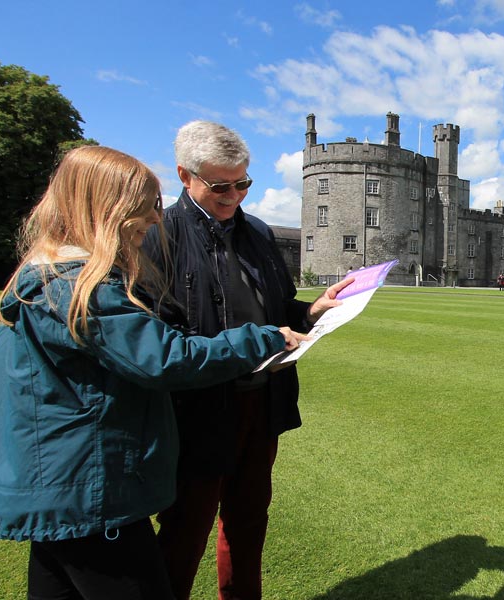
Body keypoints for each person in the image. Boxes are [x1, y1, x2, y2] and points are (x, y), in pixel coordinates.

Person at [0, 146, 311, 599]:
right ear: (105, 210)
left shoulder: (48, 274)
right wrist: (263, 338)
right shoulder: (79, 285)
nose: (154, 220)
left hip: (61, 485)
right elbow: (164, 357)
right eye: (143, 208)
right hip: (89, 488)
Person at [141, 121, 349, 600]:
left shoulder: (257, 231)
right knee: (184, 531)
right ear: (184, 176)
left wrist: (311, 310)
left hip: (262, 402)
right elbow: (159, 339)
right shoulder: (160, 237)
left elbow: (278, 309)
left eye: (243, 183)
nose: (234, 196)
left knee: (249, 523)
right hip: (197, 409)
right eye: (221, 186)